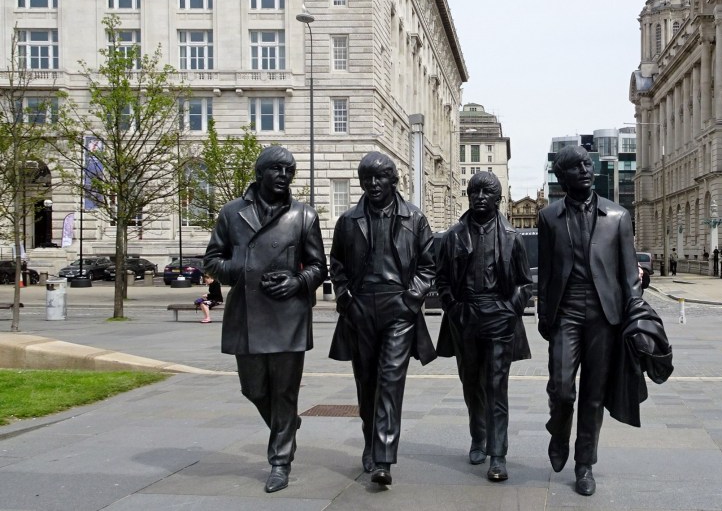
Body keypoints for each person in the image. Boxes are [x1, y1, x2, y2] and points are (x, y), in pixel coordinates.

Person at [203, 146, 327, 493]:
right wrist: (242, 268)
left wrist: (297, 281)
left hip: (288, 315)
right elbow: (212, 260)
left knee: (285, 392)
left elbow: (319, 266)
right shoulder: (232, 213)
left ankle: (280, 461)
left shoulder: (303, 216)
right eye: (277, 169)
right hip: (247, 313)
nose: (285, 176)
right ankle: (285, 424)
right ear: (260, 174)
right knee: (253, 388)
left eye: (289, 170)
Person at [537, 146, 642, 497]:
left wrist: (636, 317)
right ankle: (558, 431)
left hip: (604, 315)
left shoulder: (617, 216)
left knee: (593, 395)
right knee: (562, 388)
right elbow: (547, 273)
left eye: (587, 164)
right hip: (566, 311)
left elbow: (629, 276)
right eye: (575, 167)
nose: (584, 170)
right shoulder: (549, 217)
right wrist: (543, 314)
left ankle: (585, 465)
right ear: (561, 176)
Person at [329, 151, 436, 487]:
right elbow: (337, 265)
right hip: (360, 309)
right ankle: (370, 440)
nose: (373, 184)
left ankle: (383, 458)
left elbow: (429, 265)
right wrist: (345, 298)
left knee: (390, 381)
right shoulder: (348, 221)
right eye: (367, 178)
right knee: (367, 384)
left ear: (394, 179)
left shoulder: (414, 219)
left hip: (398, 310)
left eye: (380, 177)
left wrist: (411, 298)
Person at [435, 171, 532, 482]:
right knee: (470, 383)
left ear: (498, 200)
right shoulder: (453, 236)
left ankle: (498, 453)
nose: (479, 197)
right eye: (474, 192)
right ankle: (478, 436)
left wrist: (510, 309)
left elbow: (524, 284)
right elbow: (442, 280)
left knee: (496, 387)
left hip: (499, 317)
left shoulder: (512, 237)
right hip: (466, 316)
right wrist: (454, 307)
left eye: (486, 193)